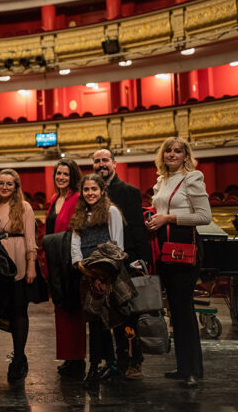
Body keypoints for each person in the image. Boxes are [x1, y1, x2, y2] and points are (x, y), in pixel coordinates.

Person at [146, 137, 211, 389]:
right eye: (168, 151)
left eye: (178, 151)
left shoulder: (193, 177)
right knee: (176, 310)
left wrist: (168, 218)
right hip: (164, 250)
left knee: (184, 311)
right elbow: (157, 211)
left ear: (186, 156)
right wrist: (153, 219)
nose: (172, 154)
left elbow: (204, 216)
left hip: (185, 250)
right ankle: (184, 367)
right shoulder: (161, 181)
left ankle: (194, 370)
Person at [93, 148, 151, 380]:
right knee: (105, 316)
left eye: (105, 160)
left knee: (128, 317)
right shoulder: (91, 192)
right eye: (97, 161)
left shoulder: (129, 192)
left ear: (114, 164)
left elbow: (137, 229)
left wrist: (141, 260)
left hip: (125, 261)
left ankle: (133, 360)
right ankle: (112, 362)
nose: (101, 164)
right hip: (99, 263)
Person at [70, 174, 124, 384]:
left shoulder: (111, 211)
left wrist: (104, 275)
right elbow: (75, 242)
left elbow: (117, 245)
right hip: (87, 273)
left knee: (106, 321)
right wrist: (81, 266)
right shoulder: (81, 213)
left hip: (107, 273)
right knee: (93, 322)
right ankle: (97, 365)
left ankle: (109, 365)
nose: (90, 193)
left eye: (94, 189)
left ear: (102, 191)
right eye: (86, 190)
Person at [0, 169, 37, 381]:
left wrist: (31, 266)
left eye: (10, 184)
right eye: (2, 183)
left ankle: (19, 358)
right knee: (3, 311)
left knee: (19, 312)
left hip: (18, 261)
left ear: (16, 187)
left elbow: (30, 240)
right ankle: (18, 354)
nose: (5, 187)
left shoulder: (24, 207)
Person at [43, 159, 85, 378]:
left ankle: (78, 359)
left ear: (73, 177)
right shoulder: (54, 199)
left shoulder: (77, 198)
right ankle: (69, 357)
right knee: (61, 309)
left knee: (73, 310)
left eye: (65, 174)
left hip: (70, 261)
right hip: (55, 261)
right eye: (58, 174)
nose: (61, 177)